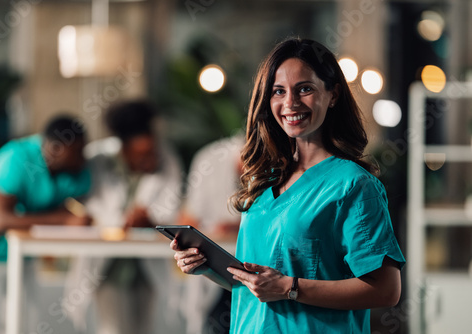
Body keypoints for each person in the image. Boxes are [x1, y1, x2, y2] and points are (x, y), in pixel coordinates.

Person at [170, 37, 406, 333]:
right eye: (278, 91)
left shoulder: (354, 185)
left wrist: (289, 288)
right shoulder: (265, 180)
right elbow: (258, 288)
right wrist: (207, 267)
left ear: (332, 95)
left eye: (305, 89)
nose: (290, 103)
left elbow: (386, 290)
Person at [65, 100, 183, 334]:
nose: (148, 160)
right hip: (108, 265)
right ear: (123, 148)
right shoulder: (97, 160)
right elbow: (88, 208)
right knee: (113, 329)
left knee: (144, 328)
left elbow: (172, 207)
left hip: (146, 265)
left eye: (151, 152)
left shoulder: (168, 160)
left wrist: (150, 220)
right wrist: (122, 221)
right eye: (140, 155)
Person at [0, 115, 92, 334]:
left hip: (24, 251)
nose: (82, 159)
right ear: (55, 149)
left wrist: (12, 223)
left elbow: (84, 217)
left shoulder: (77, 173)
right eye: (76, 152)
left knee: (27, 323)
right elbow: (0, 219)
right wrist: (61, 218)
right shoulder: (16, 158)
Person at [177, 133, 244, 334]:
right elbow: (189, 216)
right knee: (215, 320)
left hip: (251, 265)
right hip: (217, 263)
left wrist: (236, 226)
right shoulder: (211, 160)